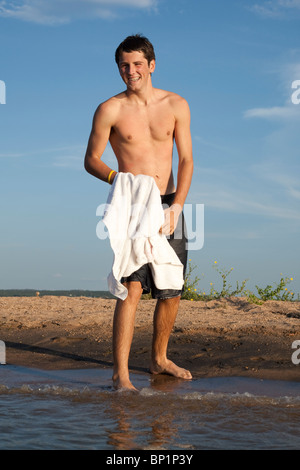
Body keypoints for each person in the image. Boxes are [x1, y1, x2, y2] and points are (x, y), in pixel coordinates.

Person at [84, 34, 194, 391]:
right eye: (123, 65)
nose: (130, 71)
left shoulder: (176, 104)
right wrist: (119, 180)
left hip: (168, 203)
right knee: (132, 287)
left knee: (172, 287)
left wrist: (177, 207)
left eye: (136, 64)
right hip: (132, 205)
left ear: (152, 65)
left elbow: (187, 159)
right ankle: (121, 374)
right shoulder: (109, 109)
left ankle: (159, 359)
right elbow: (91, 160)